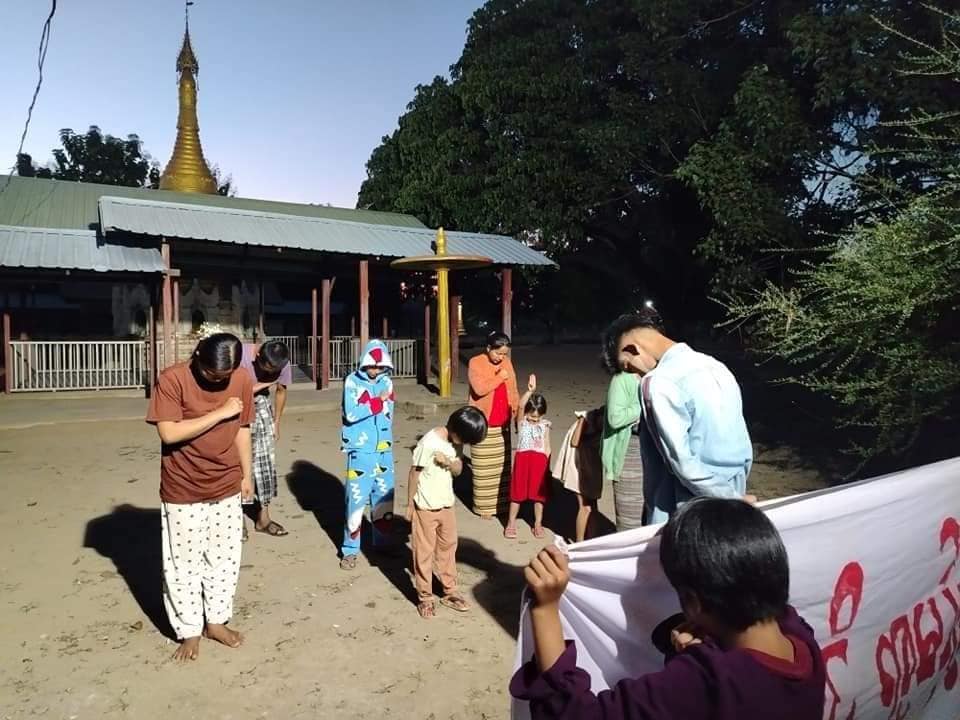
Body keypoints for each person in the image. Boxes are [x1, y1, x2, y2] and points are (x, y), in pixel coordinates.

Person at [511, 497, 826, 719]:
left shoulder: (708, 682)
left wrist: (546, 609)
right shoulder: (802, 642)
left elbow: (576, 715)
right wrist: (735, 529)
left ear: (692, 603)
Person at [145, 332, 254, 662]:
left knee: (224, 557)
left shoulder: (241, 378)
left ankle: (217, 622)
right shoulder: (173, 379)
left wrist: (246, 475)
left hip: (226, 483)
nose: (219, 381)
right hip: (184, 486)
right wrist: (219, 412)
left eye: (225, 376)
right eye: (212, 375)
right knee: (183, 564)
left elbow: (243, 428)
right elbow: (169, 432)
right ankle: (189, 629)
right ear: (197, 358)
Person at [602, 306, 754, 525]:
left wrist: (730, 498)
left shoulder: (657, 382)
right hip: (733, 501)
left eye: (630, 368)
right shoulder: (716, 366)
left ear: (633, 349)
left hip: (686, 513)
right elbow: (743, 447)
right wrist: (735, 495)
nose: (637, 375)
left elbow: (680, 462)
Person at [405, 406, 488, 619]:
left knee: (448, 548)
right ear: (457, 431)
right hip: (425, 507)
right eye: (467, 441)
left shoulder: (454, 443)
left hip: (446, 506)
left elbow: (459, 470)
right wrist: (410, 504)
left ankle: (449, 591)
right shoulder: (429, 443)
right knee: (423, 553)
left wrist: (450, 462)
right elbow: (414, 473)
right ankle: (425, 597)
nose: (465, 446)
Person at [340, 339, 396, 570]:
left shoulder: (387, 382)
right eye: (372, 366)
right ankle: (349, 550)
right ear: (363, 363)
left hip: (384, 451)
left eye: (380, 366)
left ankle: (382, 543)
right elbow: (351, 414)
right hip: (360, 452)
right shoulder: (351, 382)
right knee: (355, 502)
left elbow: (388, 416)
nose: (375, 370)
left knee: (384, 500)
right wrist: (378, 401)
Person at [238, 339, 292, 539]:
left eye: (274, 370)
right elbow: (232, 390)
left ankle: (263, 518)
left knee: (264, 465)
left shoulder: (282, 363)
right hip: (236, 406)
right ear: (258, 355)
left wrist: (276, 423)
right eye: (266, 368)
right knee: (238, 465)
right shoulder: (240, 355)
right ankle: (238, 519)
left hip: (261, 405)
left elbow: (281, 391)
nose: (271, 372)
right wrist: (267, 382)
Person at [468, 331, 520, 518]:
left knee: (502, 468)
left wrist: (516, 415)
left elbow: (513, 390)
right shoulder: (476, 362)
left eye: (505, 354)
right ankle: (484, 508)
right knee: (483, 469)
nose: (501, 357)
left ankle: (502, 505)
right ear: (488, 348)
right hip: (483, 422)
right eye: (498, 353)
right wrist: (499, 377)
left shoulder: (506, 363)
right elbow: (479, 389)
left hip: (502, 421)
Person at [600, 353, 644, 532]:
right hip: (630, 453)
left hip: (652, 454)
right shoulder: (622, 380)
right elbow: (615, 418)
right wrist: (643, 406)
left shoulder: (654, 377)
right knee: (630, 521)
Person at [505, 381, 551, 539]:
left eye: (537, 418)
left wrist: (547, 459)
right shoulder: (522, 423)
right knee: (517, 494)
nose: (533, 420)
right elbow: (520, 406)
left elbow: (547, 444)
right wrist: (529, 391)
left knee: (539, 496)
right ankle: (511, 522)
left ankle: (538, 523)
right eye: (531, 417)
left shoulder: (544, 425)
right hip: (523, 459)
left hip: (539, 461)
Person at [554, 407, 605, 543]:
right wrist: (583, 420)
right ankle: (580, 541)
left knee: (593, 507)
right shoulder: (587, 419)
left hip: (591, 467)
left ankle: (591, 539)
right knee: (585, 507)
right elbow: (574, 442)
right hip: (579, 467)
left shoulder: (603, 423)